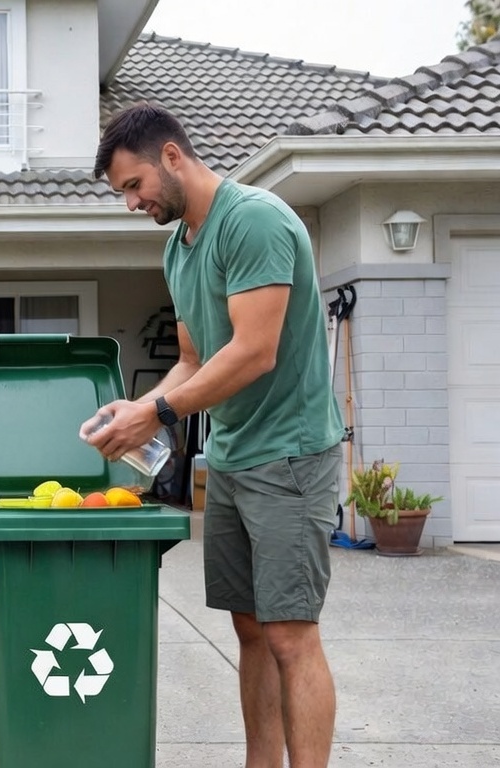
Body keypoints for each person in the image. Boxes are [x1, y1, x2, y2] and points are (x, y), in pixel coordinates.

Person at [90, 103, 343, 768]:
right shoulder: (179, 247)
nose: (132, 203)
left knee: (292, 635)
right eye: (123, 194)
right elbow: (196, 359)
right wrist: (135, 408)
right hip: (232, 454)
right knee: (252, 631)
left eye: (133, 186)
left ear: (172, 156)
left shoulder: (253, 221)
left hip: (289, 453)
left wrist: (160, 414)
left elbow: (255, 351)